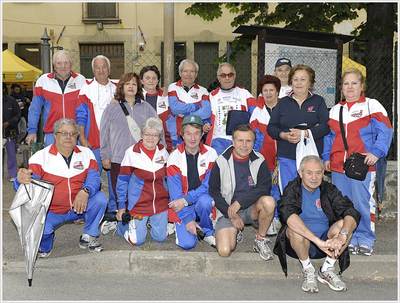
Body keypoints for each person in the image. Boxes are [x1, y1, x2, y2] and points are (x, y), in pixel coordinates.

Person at [322, 68, 393, 256]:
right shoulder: (336, 109)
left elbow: (385, 131)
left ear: (362, 86)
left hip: (362, 165)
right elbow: (329, 136)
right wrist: (326, 158)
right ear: (341, 87)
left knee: (362, 203)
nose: (350, 87)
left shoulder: (372, 105)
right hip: (338, 167)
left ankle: (366, 238)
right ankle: (348, 239)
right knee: (344, 205)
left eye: (354, 83)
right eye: (346, 83)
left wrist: (376, 152)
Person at [14, 118, 107, 257]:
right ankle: (45, 245)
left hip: (78, 208)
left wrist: (85, 191)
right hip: (51, 211)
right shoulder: (40, 157)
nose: (68, 137)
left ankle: (88, 236)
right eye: (64, 133)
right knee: (41, 231)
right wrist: (19, 180)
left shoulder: (87, 154)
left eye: (72, 133)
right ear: (55, 135)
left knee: (100, 199)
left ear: (77, 137)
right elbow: (27, 186)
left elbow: (94, 179)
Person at [273, 155, 361, 293]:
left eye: (318, 173)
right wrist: (317, 241)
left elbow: (350, 211)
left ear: (323, 173)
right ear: (300, 173)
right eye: (309, 173)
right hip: (299, 245)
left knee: (346, 223)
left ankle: (327, 269)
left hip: (327, 246)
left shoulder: (329, 189)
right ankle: (308, 269)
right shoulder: (292, 189)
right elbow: (288, 215)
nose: (314, 177)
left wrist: (342, 236)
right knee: (293, 227)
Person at [100, 72, 163, 233]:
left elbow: (157, 129)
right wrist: (105, 155)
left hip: (140, 160)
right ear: (121, 86)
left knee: (137, 192)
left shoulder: (146, 107)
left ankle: (138, 222)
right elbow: (104, 133)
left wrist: (161, 152)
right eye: (127, 84)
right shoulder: (112, 108)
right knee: (118, 191)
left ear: (138, 87)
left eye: (134, 84)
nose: (131, 87)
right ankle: (120, 220)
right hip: (118, 158)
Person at [208, 124, 276, 260]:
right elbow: (213, 191)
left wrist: (239, 203)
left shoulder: (259, 160)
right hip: (228, 209)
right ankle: (234, 230)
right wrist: (230, 212)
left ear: (253, 143)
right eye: (240, 141)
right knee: (224, 251)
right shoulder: (221, 161)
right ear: (233, 142)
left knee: (269, 202)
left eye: (248, 141)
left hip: (251, 207)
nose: (244, 145)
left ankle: (260, 240)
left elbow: (264, 188)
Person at [267, 64, 330, 194]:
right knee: (289, 193)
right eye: (295, 79)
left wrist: (306, 133)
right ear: (291, 82)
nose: (299, 83)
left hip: (311, 156)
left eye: (303, 79)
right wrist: (283, 135)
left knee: (310, 193)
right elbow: (271, 127)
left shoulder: (318, 101)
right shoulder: (282, 103)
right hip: (287, 156)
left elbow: (326, 127)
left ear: (310, 82)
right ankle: (289, 215)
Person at [75, 55, 118, 225]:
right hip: (92, 141)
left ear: (109, 69)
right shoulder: (86, 89)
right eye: (97, 67)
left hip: (114, 142)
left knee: (114, 177)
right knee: (92, 177)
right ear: (93, 71)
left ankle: (114, 209)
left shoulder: (117, 89)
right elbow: (81, 115)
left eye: (104, 67)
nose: (101, 70)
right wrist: (82, 138)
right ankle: (87, 209)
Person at [115, 117, 170, 246]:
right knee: (138, 241)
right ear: (141, 134)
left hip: (160, 204)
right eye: (147, 134)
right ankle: (122, 226)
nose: (150, 138)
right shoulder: (131, 153)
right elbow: (122, 180)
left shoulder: (163, 152)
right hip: (139, 205)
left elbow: (170, 179)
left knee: (160, 238)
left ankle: (154, 223)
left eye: (154, 135)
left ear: (159, 137)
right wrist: (121, 206)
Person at [167, 115, 218, 249]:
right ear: (182, 135)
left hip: (197, 200)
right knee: (188, 244)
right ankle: (185, 222)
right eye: (188, 134)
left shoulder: (211, 154)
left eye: (196, 134)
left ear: (202, 134)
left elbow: (209, 186)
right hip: (182, 206)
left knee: (205, 200)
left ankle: (207, 231)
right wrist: (188, 219)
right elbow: (175, 194)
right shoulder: (174, 157)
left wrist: (186, 199)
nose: (193, 138)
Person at [25, 50, 86, 148]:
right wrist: (32, 131)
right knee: (53, 163)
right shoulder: (43, 81)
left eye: (66, 63)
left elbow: (88, 108)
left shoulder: (81, 80)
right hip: (52, 134)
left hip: (75, 134)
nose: (63, 66)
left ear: (71, 64)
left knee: (76, 163)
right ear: (54, 64)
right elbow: (34, 109)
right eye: (59, 63)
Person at [250, 75, 282, 235]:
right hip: (264, 159)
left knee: (279, 189)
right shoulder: (257, 111)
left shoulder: (285, 108)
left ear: (277, 91)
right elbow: (253, 136)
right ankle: (267, 218)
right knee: (266, 189)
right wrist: (255, 158)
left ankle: (277, 218)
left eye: (272, 90)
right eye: (265, 91)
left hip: (282, 158)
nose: (269, 93)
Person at [205, 62, 257, 155]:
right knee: (220, 168)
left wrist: (246, 133)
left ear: (235, 76)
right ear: (218, 78)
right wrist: (206, 124)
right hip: (218, 139)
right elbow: (205, 117)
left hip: (240, 140)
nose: (227, 78)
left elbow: (255, 116)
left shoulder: (245, 94)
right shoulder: (211, 96)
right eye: (223, 75)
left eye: (230, 74)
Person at [168, 59, 211, 147]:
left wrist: (186, 115)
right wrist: (196, 107)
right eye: (185, 71)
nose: (188, 74)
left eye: (192, 71)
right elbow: (174, 108)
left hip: (196, 138)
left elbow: (207, 111)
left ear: (196, 74)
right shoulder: (173, 87)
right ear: (180, 73)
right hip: (176, 137)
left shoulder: (203, 91)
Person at [140, 65, 173, 152]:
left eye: (154, 78)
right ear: (141, 81)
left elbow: (172, 121)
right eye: (147, 78)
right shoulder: (136, 98)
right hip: (140, 140)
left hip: (162, 141)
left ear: (158, 80)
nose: (151, 81)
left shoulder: (166, 96)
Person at [3, 82, 21, 182]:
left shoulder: (11, 101)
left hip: (10, 131)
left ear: (4, 90)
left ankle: (13, 175)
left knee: (11, 154)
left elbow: (18, 115)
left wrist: (9, 123)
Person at [10, 83, 30, 153]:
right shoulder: (10, 98)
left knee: (24, 131)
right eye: (16, 90)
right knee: (17, 132)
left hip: (22, 116)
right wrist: (18, 106)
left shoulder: (21, 97)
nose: (18, 91)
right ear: (12, 90)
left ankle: (17, 142)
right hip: (15, 117)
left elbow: (25, 105)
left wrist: (27, 102)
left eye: (18, 90)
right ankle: (17, 146)